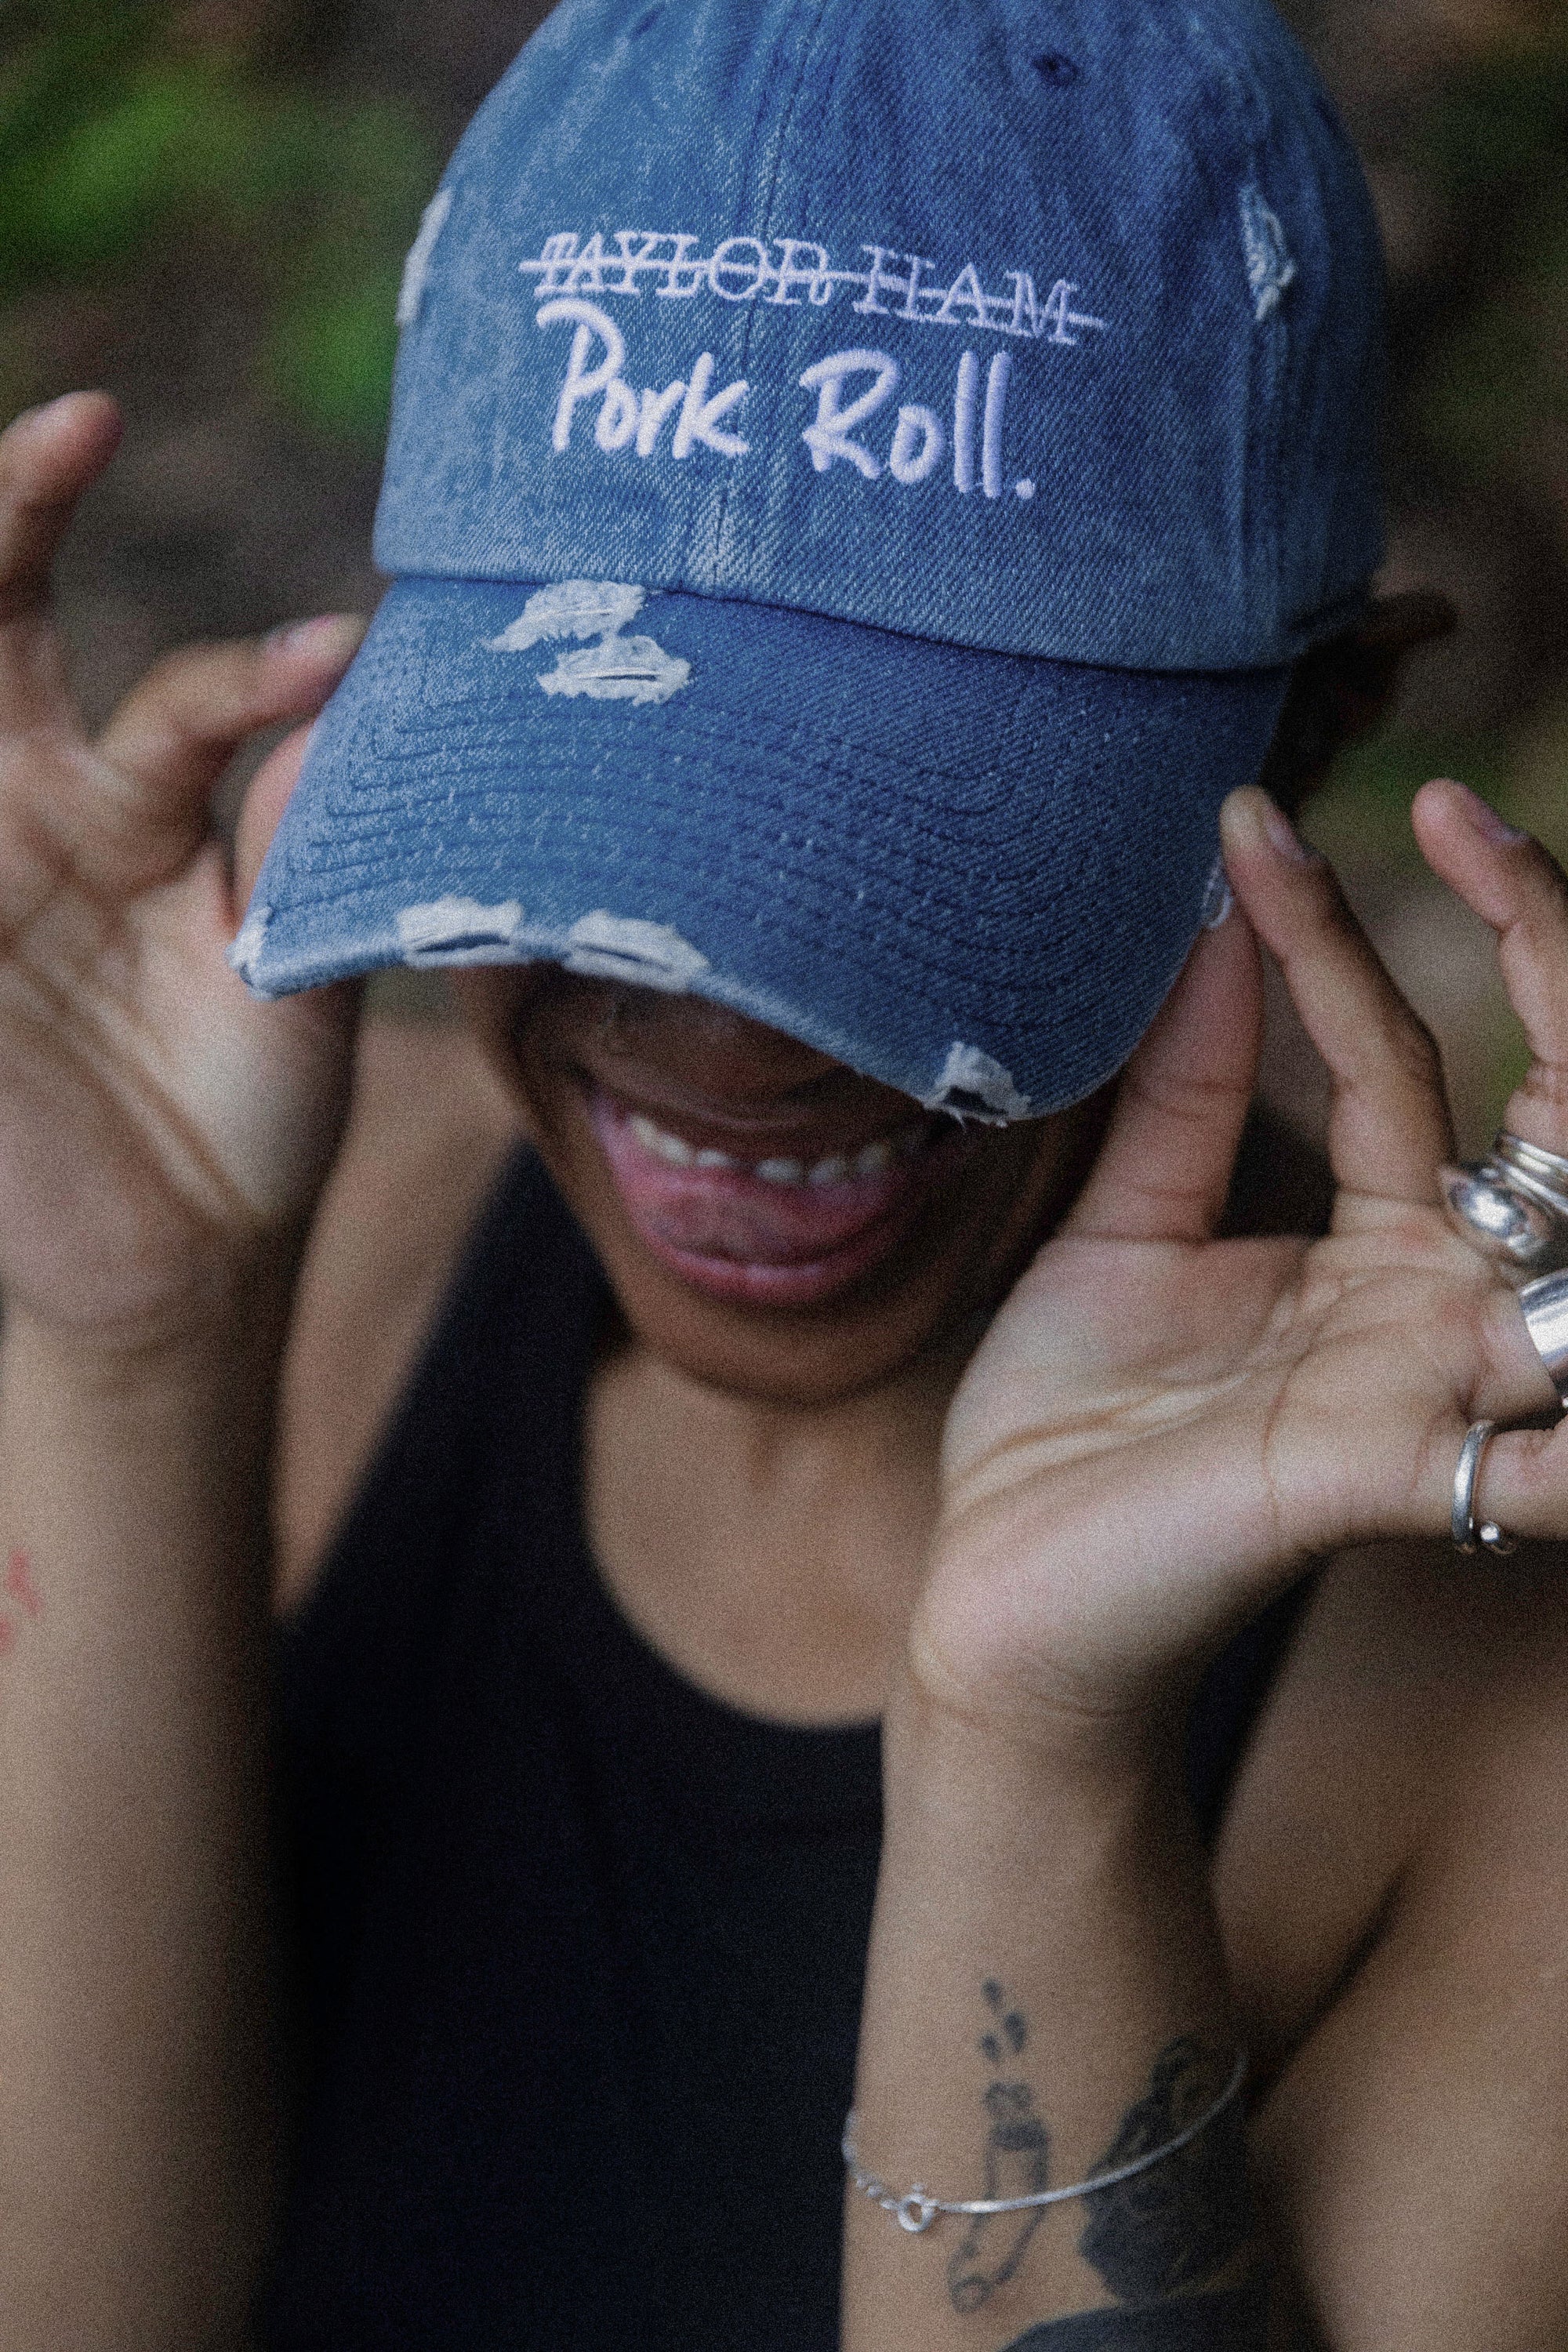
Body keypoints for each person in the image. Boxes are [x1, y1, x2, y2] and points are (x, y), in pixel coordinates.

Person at [5, 2, 1568, 2347]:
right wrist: (130, 1350)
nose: (718, 1027)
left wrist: (1031, 1740)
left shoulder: (1492, 1702)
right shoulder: (302, 1273)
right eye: (596, 794)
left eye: (902, 852)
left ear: (1321, 720)